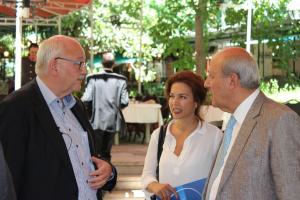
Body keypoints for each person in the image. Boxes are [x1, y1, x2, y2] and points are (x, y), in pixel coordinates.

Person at [0, 35, 117, 200]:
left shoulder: (76, 106)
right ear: (55, 65)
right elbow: (8, 182)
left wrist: (109, 172)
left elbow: (88, 158)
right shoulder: (16, 108)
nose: (84, 71)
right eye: (79, 63)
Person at [203, 47, 300, 200]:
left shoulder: (280, 120)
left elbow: (291, 192)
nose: (206, 83)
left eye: (211, 76)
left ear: (232, 81)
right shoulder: (233, 120)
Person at [141, 71, 222, 200]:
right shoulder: (159, 135)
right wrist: (155, 185)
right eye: (172, 96)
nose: (175, 102)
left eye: (183, 97)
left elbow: (221, 179)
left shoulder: (214, 136)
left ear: (196, 101)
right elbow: (146, 176)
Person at [81, 52, 129, 161]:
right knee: (106, 152)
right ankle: (106, 174)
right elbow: (125, 102)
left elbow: (86, 99)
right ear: (114, 64)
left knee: (95, 152)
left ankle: (97, 174)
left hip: (95, 120)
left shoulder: (93, 78)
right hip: (112, 121)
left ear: (102, 63)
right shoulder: (121, 80)